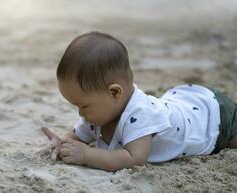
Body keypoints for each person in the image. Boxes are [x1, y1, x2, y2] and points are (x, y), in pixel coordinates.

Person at [41, 31, 237, 172]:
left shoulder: (141, 114)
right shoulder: (99, 114)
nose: (80, 114)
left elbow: (134, 158)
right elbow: (78, 135)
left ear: (115, 93)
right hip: (183, 104)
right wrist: (62, 141)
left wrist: (87, 156)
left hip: (211, 118)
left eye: (83, 106)